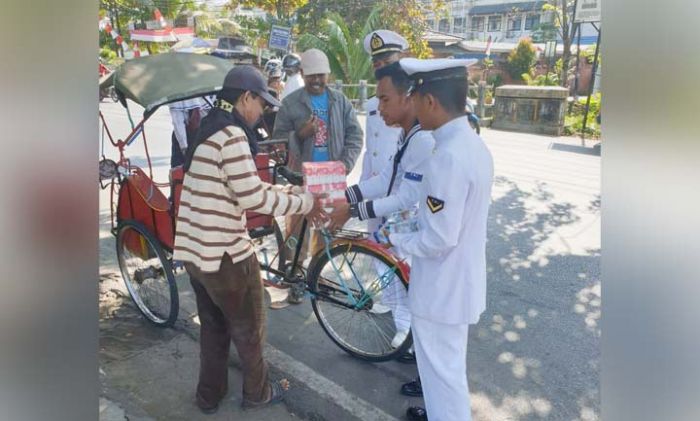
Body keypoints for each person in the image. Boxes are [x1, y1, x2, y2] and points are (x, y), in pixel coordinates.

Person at [173, 65, 328, 415]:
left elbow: (244, 186)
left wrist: (286, 191)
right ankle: (257, 393)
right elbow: (253, 198)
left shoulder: (210, 127)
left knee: (213, 329)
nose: (263, 112)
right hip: (226, 255)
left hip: (196, 253)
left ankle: (208, 396)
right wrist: (303, 201)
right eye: (261, 103)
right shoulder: (232, 136)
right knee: (250, 329)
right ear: (245, 98)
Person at [386, 58, 493, 421]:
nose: (412, 106)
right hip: (457, 285)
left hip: (441, 291)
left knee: (442, 377)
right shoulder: (472, 146)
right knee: (446, 373)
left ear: (429, 101)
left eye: (414, 97)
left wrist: (397, 239)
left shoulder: (446, 157)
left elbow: (438, 239)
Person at [329, 61, 434, 352]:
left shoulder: (423, 139)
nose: (380, 108)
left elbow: (405, 197)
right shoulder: (407, 134)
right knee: (384, 259)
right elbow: (386, 178)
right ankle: (404, 324)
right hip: (404, 216)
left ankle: (409, 332)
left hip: (418, 220)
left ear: (408, 97)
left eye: (385, 99)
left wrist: (351, 211)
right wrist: (346, 195)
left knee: (394, 263)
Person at [272, 48, 363, 291]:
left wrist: (346, 163)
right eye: (311, 75)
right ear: (302, 74)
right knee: (297, 228)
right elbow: (277, 143)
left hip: (331, 177)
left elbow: (355, 134)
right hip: (302, 176)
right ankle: (294, 278)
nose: (316, 80)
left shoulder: (339, 101)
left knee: (326, 228)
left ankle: (316, 275)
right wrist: (300, 134)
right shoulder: (291, 104)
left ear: (328, 75)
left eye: (321, 75)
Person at [358, 30, 409, 317]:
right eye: (376, 62)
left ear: (399, 58)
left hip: (400, 190)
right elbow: (371, 150)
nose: (380, 66)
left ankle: (404, 322)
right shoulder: (371, 105)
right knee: (377, 248)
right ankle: (391, 302)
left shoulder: (410, 98)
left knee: (399, 252)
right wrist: (363, 184)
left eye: (386, 60)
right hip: (375, 185)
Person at [168, 97, 211, 168]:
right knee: (180, 171)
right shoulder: (176, 98)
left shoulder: (210, 94)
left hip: (207, 132)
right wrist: (184, 148)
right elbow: (178, 122)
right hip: (185, 134)